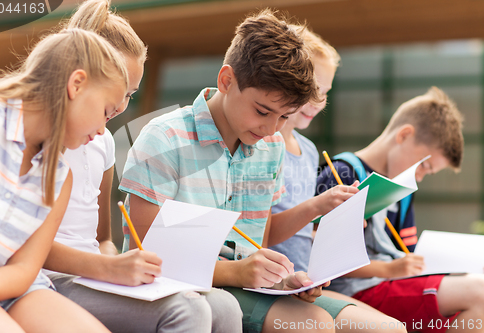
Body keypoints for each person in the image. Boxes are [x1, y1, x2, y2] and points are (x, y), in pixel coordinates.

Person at [119, 9, 384, 333]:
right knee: (313, 326)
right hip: (175, 289)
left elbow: (262, 232)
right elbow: (145, 251)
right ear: (226, 80)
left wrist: (284, 276)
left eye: (285, 117)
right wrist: (237, 273)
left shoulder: (270, 145)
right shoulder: (165, 138)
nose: (272, 127)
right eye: (263, 111)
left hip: (248, 288)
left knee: (386, 328)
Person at [42, 1, 236, 332]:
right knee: (187, 310)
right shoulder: (40, 140)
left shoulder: (101, 141)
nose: (120, 107)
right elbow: (28, 244)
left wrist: (114, 260)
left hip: (92, 274)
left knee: (225, 307)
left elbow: (102, 236)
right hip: (55, 279)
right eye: (115, 92)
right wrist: (106, 269)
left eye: (130, 94)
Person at [0, 28, 128, 332]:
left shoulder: (61, 178)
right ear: (76, 84)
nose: (103, 130)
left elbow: (23, 270)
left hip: (15, 287)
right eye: (105, 112)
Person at [267, 26, 406, 333]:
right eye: (312, 89)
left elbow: (305, 234)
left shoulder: (307, 149)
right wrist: (320, 206)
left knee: (393, 328)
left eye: (326, 93)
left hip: (308, 282)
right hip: (276, 283)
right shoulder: (263, 145)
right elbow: (265, 231)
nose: (318, 101)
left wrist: (339, 220)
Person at [317, 87, 484, 333]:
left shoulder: (402, 191)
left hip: (390, 283)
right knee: (478, 293)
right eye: (424, 166)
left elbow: (406, 252)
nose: (421, 176)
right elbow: (320, 256)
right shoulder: (342, 173)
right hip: (352, 290)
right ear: (404, 135)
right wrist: (390, 269)